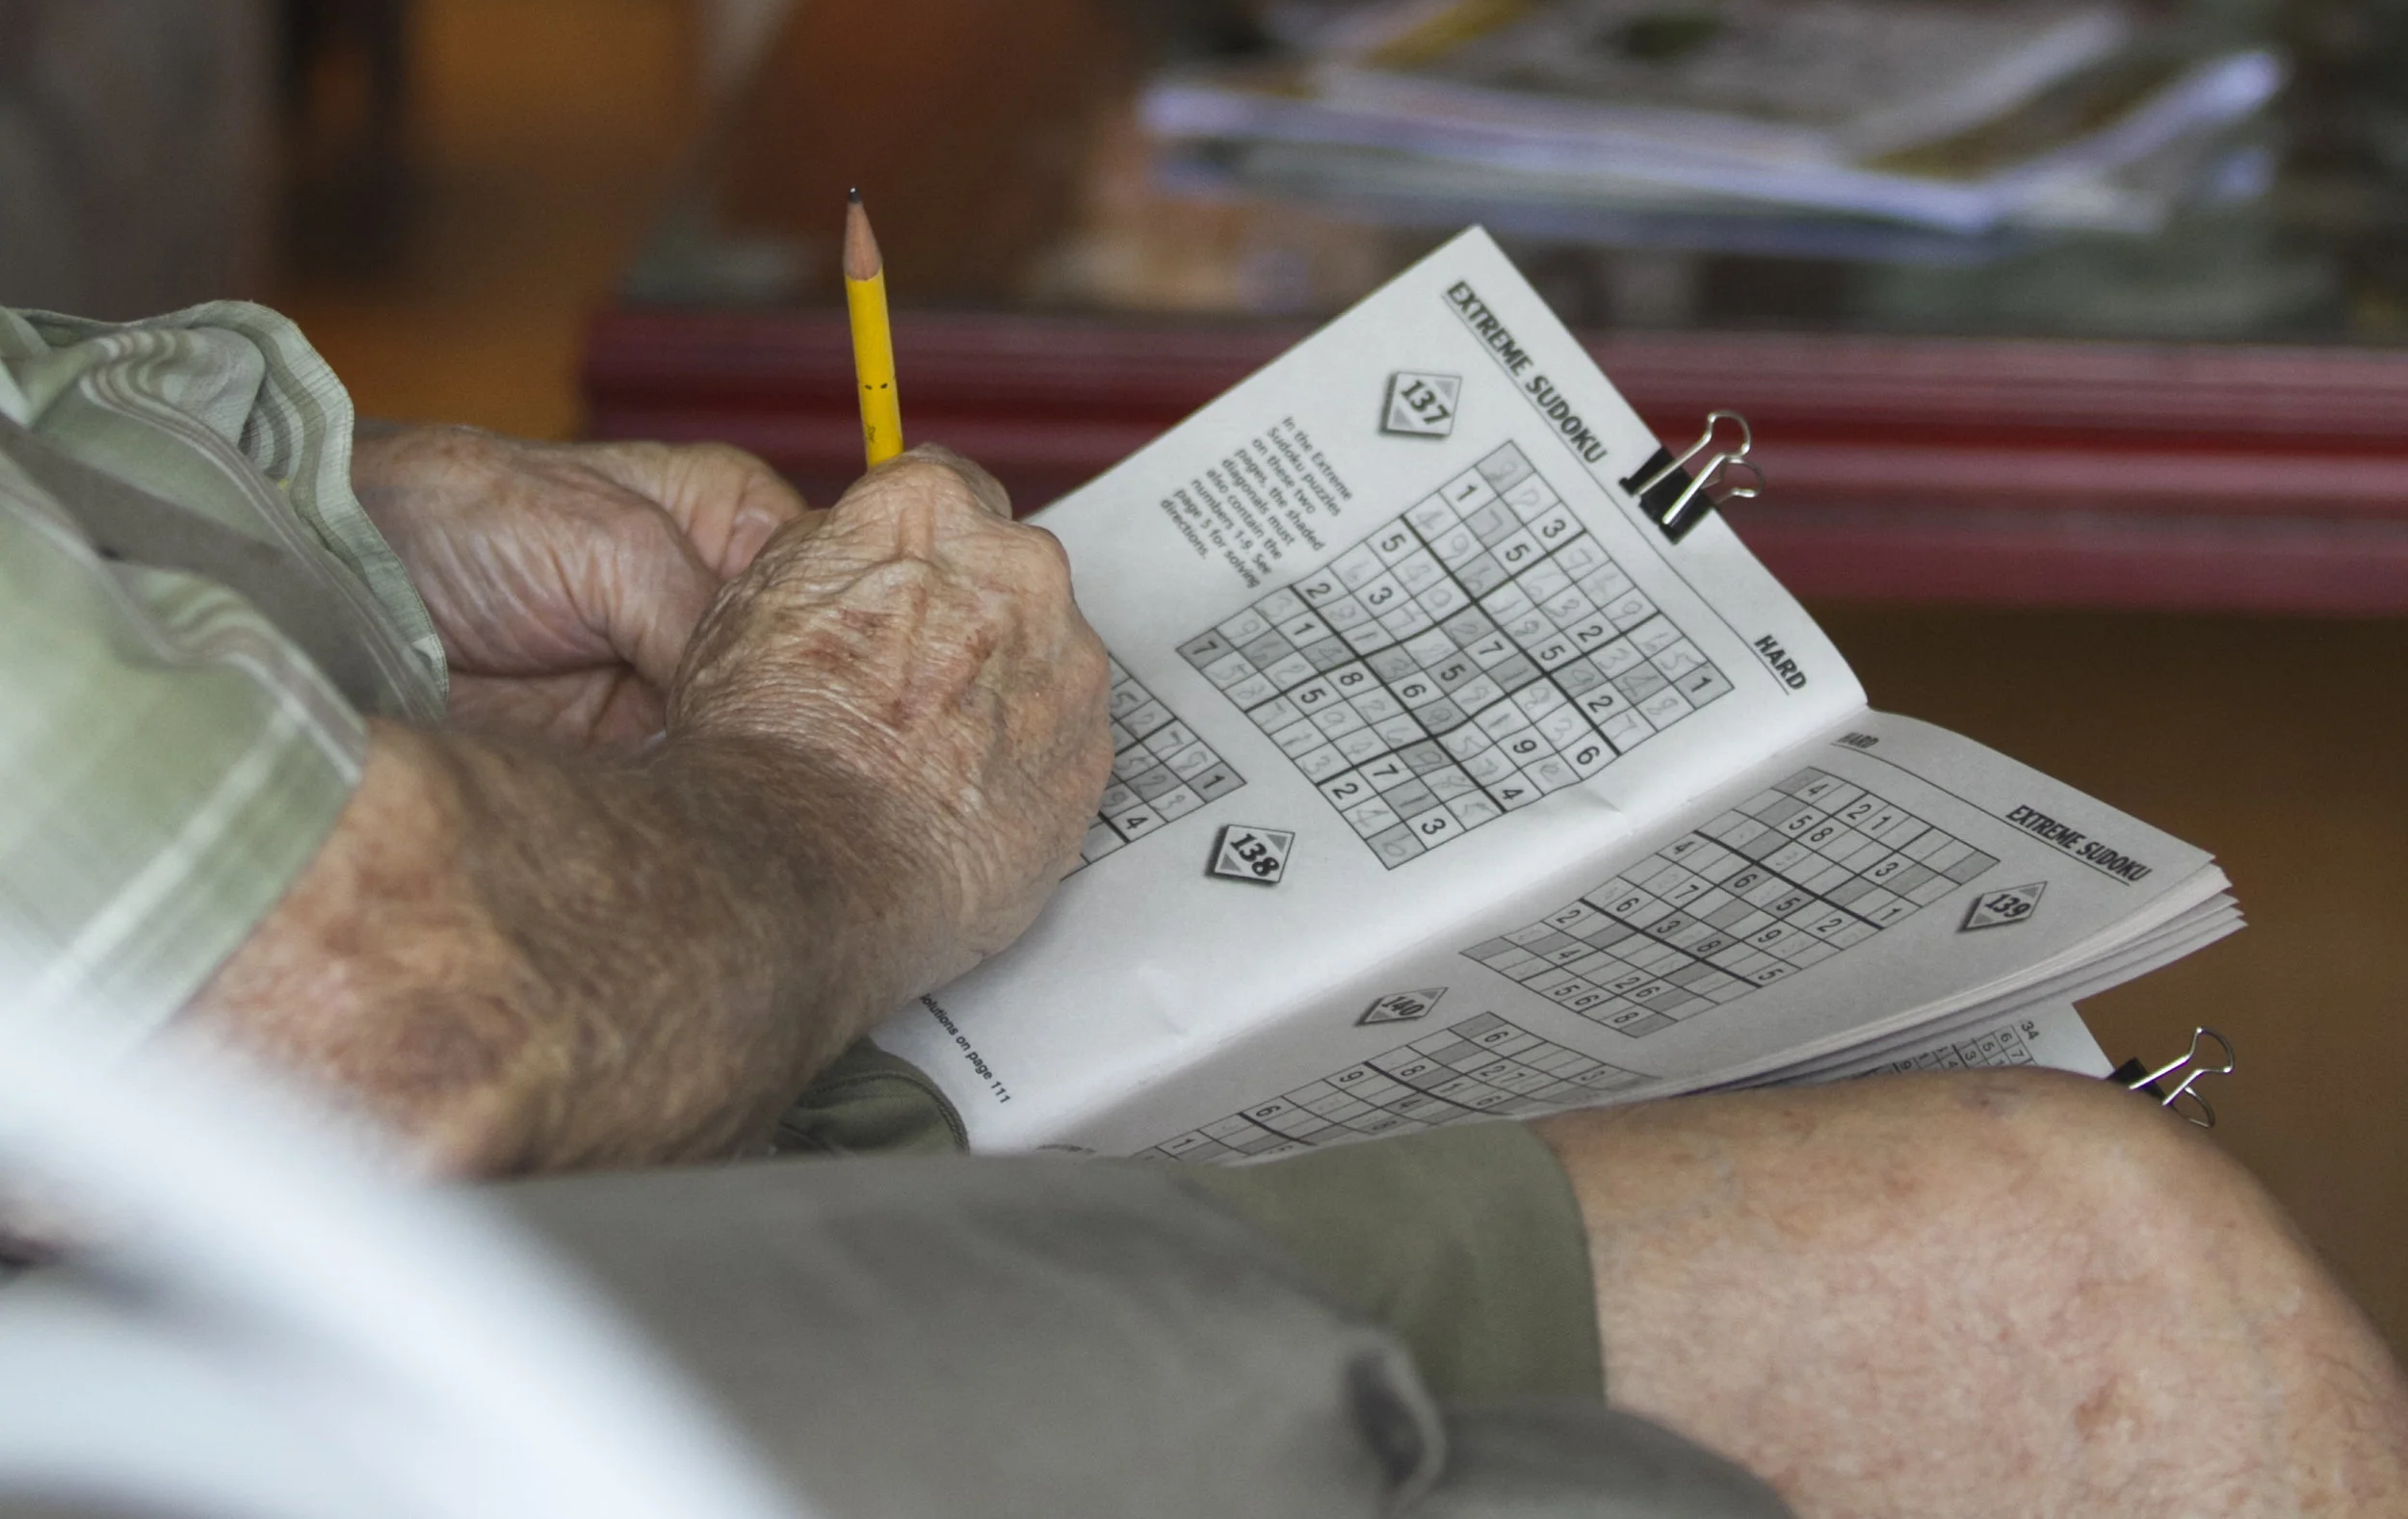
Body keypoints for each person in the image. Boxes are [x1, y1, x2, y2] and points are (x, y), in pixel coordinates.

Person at [5, 296, 2405, 1519]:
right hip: (202, 1317)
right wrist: (833, 808)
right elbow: (337, 1025)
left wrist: (323, 541)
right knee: (2077, 1277)